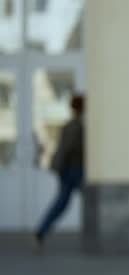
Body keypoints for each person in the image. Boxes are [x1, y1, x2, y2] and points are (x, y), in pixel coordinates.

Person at [35, 94, 85, 246]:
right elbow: (68, 148)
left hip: (71, 170)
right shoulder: (76, 126)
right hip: (73, 170)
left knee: (62, 202)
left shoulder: (71, 125)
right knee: (69, 202)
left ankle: (41, 230)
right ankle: (41, 230)